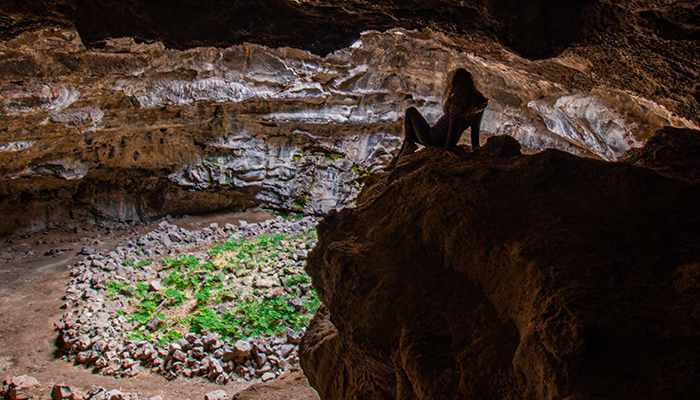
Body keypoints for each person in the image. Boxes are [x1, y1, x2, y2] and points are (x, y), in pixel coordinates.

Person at [389, 68, 488, 167]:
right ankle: (398, 158)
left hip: (433, 139)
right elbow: (475, 129)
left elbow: (454, 127)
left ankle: (403, 152)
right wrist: (476, 148)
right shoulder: (479, 102)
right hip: (443, 141)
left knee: (411, 111)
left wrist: (448, 149)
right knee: (409, 135)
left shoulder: (457, 102)